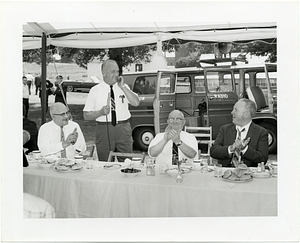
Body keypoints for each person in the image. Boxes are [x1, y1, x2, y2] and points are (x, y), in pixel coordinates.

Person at [83, 59, 140, 161]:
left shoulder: (123, 87)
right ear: (104, 73)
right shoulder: (95, 90)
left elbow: (136, 102)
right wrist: (100, 112)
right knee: (105, 162)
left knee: (127, 162)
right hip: (104, 129)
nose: (116, 74)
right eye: (113, 72)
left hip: (123, 128)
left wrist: (123, 87)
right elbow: (86, 115)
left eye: (117, 71)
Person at [210, 98, 268, 167]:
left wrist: (245, 149)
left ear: (246, 114)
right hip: (226, 173)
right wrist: (231, 148)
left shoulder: (261, 132)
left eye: (235, 110)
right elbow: (213, 151)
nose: (232, 112)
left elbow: (263, 159)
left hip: (248, 173)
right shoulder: (225, 129)